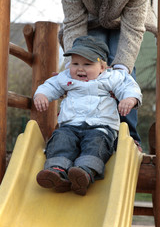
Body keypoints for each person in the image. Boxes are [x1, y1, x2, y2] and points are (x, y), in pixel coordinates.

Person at [34, 36, 142, 196]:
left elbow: (128, 86)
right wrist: (41, 95)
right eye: (75, 63)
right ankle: (57, 171)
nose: (80, 69)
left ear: (103, 67)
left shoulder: (112, 77)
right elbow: (51, 85)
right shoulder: (65, 78)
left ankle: (84, 172)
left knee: (96, 145)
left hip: (101, 127)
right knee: (60, 140)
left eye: (87, 64)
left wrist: (129, 99)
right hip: (69, 127)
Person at [59, 0, 157, 149]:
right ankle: (84, 129)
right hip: (89, 19)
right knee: (91, 62)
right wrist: (72, 68)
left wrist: (121, 73)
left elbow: (133, 29)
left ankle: (128, 135)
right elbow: (74, 24)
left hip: (128, 17)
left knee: (120, 65)